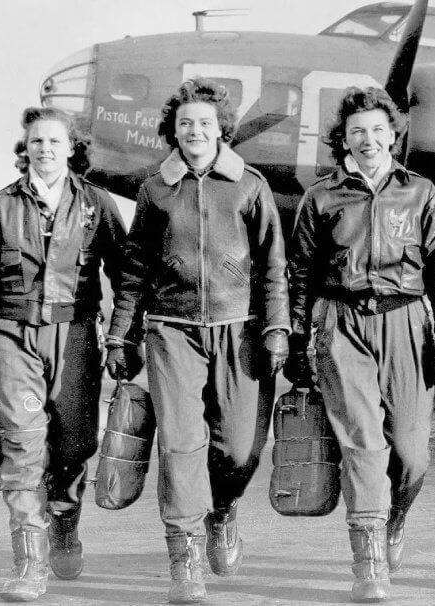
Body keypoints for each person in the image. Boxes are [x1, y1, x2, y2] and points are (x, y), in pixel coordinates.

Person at [104, 78, 290, 604]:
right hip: (172, 330)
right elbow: (135, 268)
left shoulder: (250, 186)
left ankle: (224, 508)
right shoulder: (154, 190)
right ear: (174, 131)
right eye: (185, 123)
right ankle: (184, 558)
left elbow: (274, 266)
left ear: (221, 129)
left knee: (239, 447)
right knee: (182, 444)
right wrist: (121, 334)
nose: (195, 131)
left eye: (205, 122)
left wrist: (277, 328)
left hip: (241, 329)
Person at [285, 86, 435, 602]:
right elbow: (300, 275)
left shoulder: (421, 193)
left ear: (393, 135)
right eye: (357, 131)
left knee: (411, 455)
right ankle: (369, 563)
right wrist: (300, 341)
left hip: (406, 322)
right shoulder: (321, 198)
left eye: (378, 130)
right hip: (342, 325)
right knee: (363, 446)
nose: (368, 139)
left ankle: (395, 519)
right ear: (343, 138)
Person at [0, 106, 129, 602]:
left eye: (55, 141)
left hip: (75, 335)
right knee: (24, 445)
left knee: (75, 445)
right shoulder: (3, 204)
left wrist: (121, 338)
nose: (46, 149)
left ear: (72, 147)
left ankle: (66, 520)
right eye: (37, 142)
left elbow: (124, 277)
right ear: (25, 148)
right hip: (11, 336)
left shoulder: (97, 204)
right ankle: (30, 564)